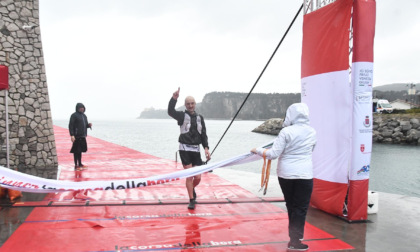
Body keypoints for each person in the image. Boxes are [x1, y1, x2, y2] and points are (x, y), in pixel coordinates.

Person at [251, 103, 316, 251]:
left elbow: (273, 154)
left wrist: (257, 150)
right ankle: (295, 240)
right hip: (305, 174)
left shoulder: (286, 132)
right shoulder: (312, 132)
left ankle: (294, 238)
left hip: (286, 174)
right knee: (300, 207)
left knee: (291, 205)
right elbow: (312, 148)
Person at [168, 87, 211, 210]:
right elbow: (170, 111)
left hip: (196, 150)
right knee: (190, 175)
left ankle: (192, 189)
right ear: (185, 105)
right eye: (188, 104)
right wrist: (174, 99)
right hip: (184, 149)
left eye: (192, 103)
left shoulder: (200, 118)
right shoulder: (181, 116)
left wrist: (206, 148)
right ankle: (191, 199)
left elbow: (203, 134)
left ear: (195, 104)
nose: (190, 106)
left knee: (197, 177)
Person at [69, 103, 92, 171]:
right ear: (77, 108)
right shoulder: (74, 115)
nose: (82, 109)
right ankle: (76, 165)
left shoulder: (84, 116)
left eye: (83, 107)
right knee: (76, 151)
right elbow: (71, 125)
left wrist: (88, 125)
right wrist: (72, 135)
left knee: (80, 151)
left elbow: (85, 125)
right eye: (80, 107)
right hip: (76, 136)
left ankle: (80, 164)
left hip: (82, 136)